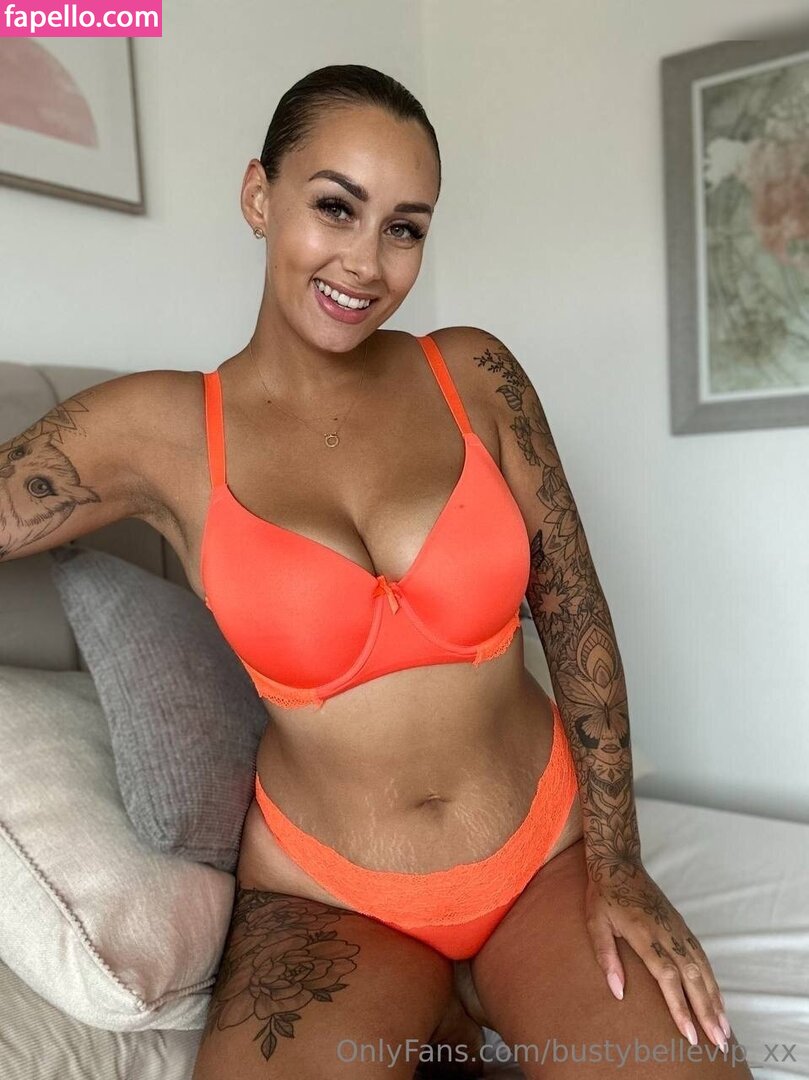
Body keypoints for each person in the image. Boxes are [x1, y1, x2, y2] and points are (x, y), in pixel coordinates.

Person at [1, 63, 751, 1080]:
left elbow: (574, 609)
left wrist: (619, 864)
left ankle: (477, 993)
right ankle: (432, 1001)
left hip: (545, 855)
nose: (365, 262)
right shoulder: (158, 429)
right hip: (328, 897)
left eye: (404, 227)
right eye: (335, 207)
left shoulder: (472, 373)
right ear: (259, 196)